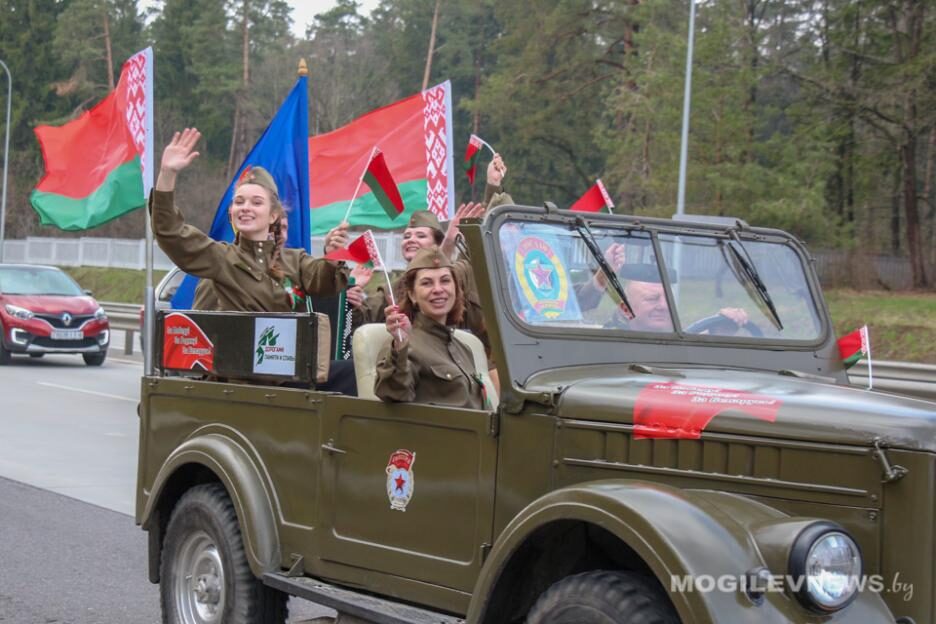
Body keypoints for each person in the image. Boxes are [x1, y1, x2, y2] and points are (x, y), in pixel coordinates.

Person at [151, 128, 350, 312]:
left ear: (273, 215)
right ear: (231, 212)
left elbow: (326, 283)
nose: (245, 207)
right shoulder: (221, 258)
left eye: (256, 202)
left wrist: (332, 255)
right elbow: (172, 234)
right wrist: (167, 174)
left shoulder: (294, 261)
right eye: (239, 202)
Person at [374, 247, 485, 409]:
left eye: (445, 280)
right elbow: (393, 393)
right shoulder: (404, 346)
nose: (438, 290)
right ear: (412, 295)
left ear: (455, 288)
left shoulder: (464, 349)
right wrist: (400, 346)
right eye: (427, 283)